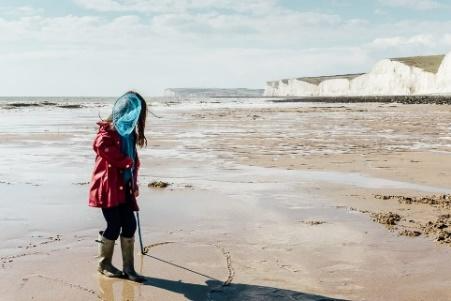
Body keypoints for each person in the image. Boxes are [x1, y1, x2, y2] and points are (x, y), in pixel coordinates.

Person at [88, 91, 148, 282]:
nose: (133, 118)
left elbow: (134, 161)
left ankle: (129, 268)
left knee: (130, 224)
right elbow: (101, 146)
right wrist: (125, 162)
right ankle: (104, 264)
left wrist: (134, 183)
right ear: (122, 111)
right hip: (109, 188)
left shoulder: (129, 134)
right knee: (113, 224)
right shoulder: (107, 132)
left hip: (125, 187)